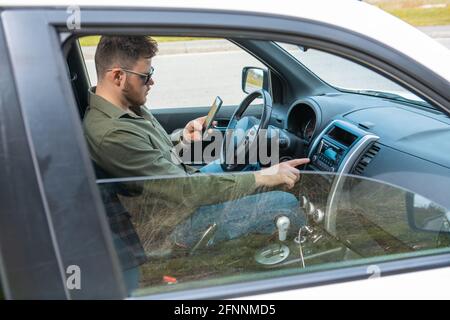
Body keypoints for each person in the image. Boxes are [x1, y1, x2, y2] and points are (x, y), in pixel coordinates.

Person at [83, 35, 309, 292]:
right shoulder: (111, 133)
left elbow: (151, 160)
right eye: (145, 76)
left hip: (175, 194)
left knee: (241, 158)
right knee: (285, 204)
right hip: (175, 222)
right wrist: (262, 177)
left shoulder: (124, 108)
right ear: (117, 77)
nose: (152, 81)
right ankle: (303, 275)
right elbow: (185, 189)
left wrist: (182, 138)